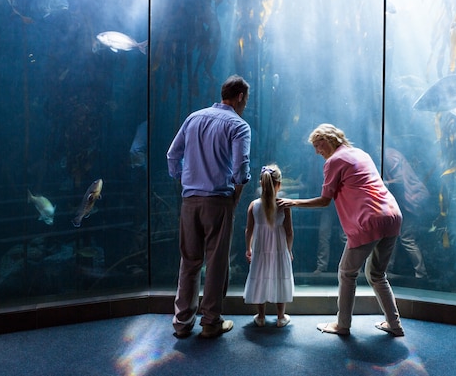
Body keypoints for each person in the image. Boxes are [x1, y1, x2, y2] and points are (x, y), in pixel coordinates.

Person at [278, 124, 405, 337]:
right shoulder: (360, 153)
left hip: (369, 220)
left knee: (347, 273)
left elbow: (324, 201)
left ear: (330, 140)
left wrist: (292, 202)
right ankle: (395, 324)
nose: (318, 151)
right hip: (392, 215)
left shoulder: (334, 161)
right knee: (377, 274)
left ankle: (342, 324)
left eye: (319, 145)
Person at [167, 74, 251, 339]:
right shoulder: (239, 126)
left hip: (190, 200)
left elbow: (173, 155)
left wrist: (184, 181)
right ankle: (211, 322)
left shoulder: (194, 118)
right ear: (239, 97)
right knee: (216, 262)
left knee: (189, 262)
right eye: (245, 100)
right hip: (218, 201)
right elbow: (240, 169)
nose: (245, 104)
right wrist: (237, 191)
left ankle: (182, 323)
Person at [243, 164, 294, 327]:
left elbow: (248, 230)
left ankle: (261, 316)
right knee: (279, 276)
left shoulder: (253, 205)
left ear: (261, 183)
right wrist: (289, 250)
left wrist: (248, 248)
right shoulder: (283, 206)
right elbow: (289, 231)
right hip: (279, 248)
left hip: (260, 248)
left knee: (260, 277)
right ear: (279, 184)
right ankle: (280, 317)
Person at [383, 147, 429, 279]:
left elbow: (399, 180)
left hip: (410, 202)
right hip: (404, 204)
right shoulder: (390, 154)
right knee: (392, 236)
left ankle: (422, 274)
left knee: (407, 238)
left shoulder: (389, 156)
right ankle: (388, 269)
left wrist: (385, 183)